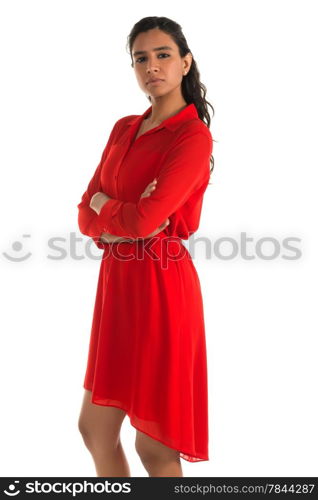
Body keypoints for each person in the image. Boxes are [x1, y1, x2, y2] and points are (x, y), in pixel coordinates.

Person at [77, 16, 215, 477]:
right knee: (94, 429)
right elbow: (84, 212)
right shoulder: (123, 129)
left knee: (155, 448)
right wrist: (114, 216)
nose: (152, 66)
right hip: (117, 286)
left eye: (163, 55)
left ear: (185, 62)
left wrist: (111, 209)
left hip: (161, 288)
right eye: (141, 58)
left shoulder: (191, 137)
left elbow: (146, 221)